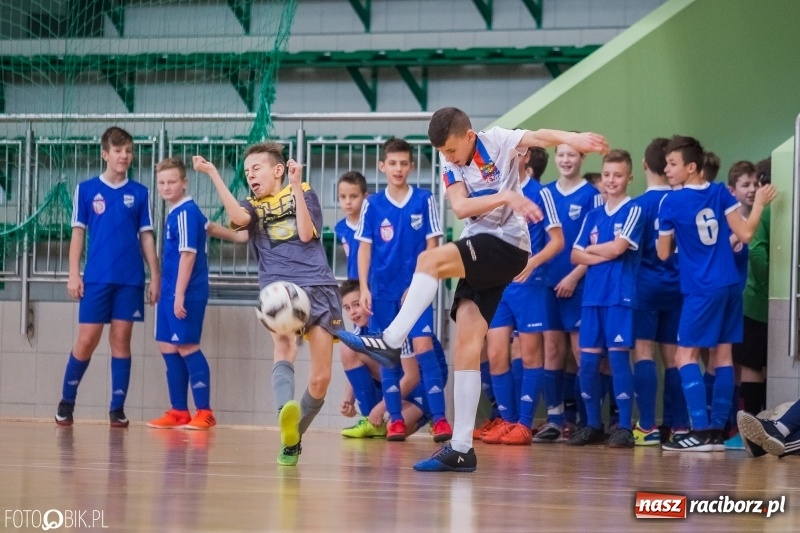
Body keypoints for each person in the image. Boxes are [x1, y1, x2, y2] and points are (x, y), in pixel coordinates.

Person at [338, 107, 608, 471]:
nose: (446, 157)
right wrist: (506, 197)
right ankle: (462, 447)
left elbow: (539, 135)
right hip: (481, 244)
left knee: (427, 261)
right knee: (468, 338)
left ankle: (390, 340)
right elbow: (462, 207)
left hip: (509, 245)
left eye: (451, 149)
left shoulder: (497, 140)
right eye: (441, 153)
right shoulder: (450, 164)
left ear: (468, 137)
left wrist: (572, 139)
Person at [195, 142, 342, 466]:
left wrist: (294, 188)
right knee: (284, 347)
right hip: (277, 290)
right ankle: (283, 412)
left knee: (320, 379)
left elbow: (306, 234)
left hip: (317, 284)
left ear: (277, 169)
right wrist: (213, 174)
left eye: (256, 169)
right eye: (246, 172)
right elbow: (236, 217)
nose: (250, 176)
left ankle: (292, 437)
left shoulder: (301, 190)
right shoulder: (250, 204)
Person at [657, 135, 776, 452]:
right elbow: (747, 233)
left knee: (685, 356)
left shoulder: (671, 202)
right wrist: (760, 203)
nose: (667, 169)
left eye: (672, 164)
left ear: (691, 167)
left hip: (701, 288)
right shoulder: (721, 193)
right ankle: (717, 435)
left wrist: (668, 233)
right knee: (723, 356)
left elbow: (663, 252)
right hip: (729, 284)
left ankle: (700, 431)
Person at [55, 126, 160, 428]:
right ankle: (66, 401)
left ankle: (117, 407)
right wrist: (74, 273)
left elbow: (147, 238)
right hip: (97, 278)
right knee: (87, 340)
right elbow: (77, 233)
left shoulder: (140, 193)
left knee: (121, 340)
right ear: (105, 154)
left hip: (130, 280)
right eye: (118, 150)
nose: (124, 156)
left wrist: (155, 276)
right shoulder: (86, 189)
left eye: (128, 150)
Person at [355, 137, 451, 442]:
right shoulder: (372, 203)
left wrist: (420, 283)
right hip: (382, 293)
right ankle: (394, 419)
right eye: (392, 163)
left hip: (416, 291)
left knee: (423, 347)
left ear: (412, 166)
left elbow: (433, 246)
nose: (398, 169)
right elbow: (364, 250)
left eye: (403, 163)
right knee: (388, 356)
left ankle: (440, 420)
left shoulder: (425, 200)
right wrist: (364, 288)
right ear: (382, 166)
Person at [481, 149, 564, 445]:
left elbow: (558, 241)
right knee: (495, 355)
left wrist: (531, 262)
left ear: (525, 156)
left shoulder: (541, 193)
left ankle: (525, 424)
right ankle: (508, 420)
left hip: (530, 286)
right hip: (499, 287)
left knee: (530, 355)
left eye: (514, 151)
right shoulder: (494, 192)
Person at [569, 149, 643, 448]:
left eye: (618, 175)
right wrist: (606, 250)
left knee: (617, 359)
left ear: (629, 178)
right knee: (586, 363)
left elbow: (618, 250)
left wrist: (595, 251)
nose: (612, 180)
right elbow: (575, 254)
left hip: (618, 297)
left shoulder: (634, 210)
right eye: (608, 175)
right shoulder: (593, 215)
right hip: (592, 298)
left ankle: (624, 426)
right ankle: (592, 424)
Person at [534, 144, 604, 444]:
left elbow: (597, 244)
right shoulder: (544, 193)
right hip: (546, 283)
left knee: (581, 354)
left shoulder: (593, 195)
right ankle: (555, 419)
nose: (565, 160)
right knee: (552, 351)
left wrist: (575, 276)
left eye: (571, 155)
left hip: (580, 284)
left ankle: (591, 421)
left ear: (582, 158)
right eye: (561, 154)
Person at [147, 158, 215, 430]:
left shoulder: (186, 212)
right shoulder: (176, 212)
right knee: (167, 344)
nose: (166, 187)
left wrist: (178, 295)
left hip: (185, 292)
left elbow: (188, 255)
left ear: (184, 182)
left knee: (187, 345)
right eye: (162, 182)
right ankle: (178, 411)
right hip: (170, 290)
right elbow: (210, 227)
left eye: (172, 181)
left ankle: (205, 412)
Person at [337, 279, 449, 439]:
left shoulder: (393, 321)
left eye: (356, 304)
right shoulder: (361, 329)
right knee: (348, 348)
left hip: (421, 381)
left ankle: (429, 412)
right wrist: (349, 399)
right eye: (347, 308)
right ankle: (371, 420)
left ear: (368, 299)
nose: (352, 313)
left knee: (393, 427)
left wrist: (382, 407)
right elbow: (355, 366)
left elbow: (413, 377)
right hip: (400, 377)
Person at [631, 138, 687, 446]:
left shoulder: (638, 205)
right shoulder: (684, 202)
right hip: (678, 287)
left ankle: (648, 426)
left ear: (644, 165)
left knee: (643, 353)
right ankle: (679, 426)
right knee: (675, 358)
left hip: (646, 286)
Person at [334, 171, 368, 280]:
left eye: (353, 196)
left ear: (365, 197)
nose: (348, 202)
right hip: (352, 281)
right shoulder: (339, 228)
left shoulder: (372, 224)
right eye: (343, 197)